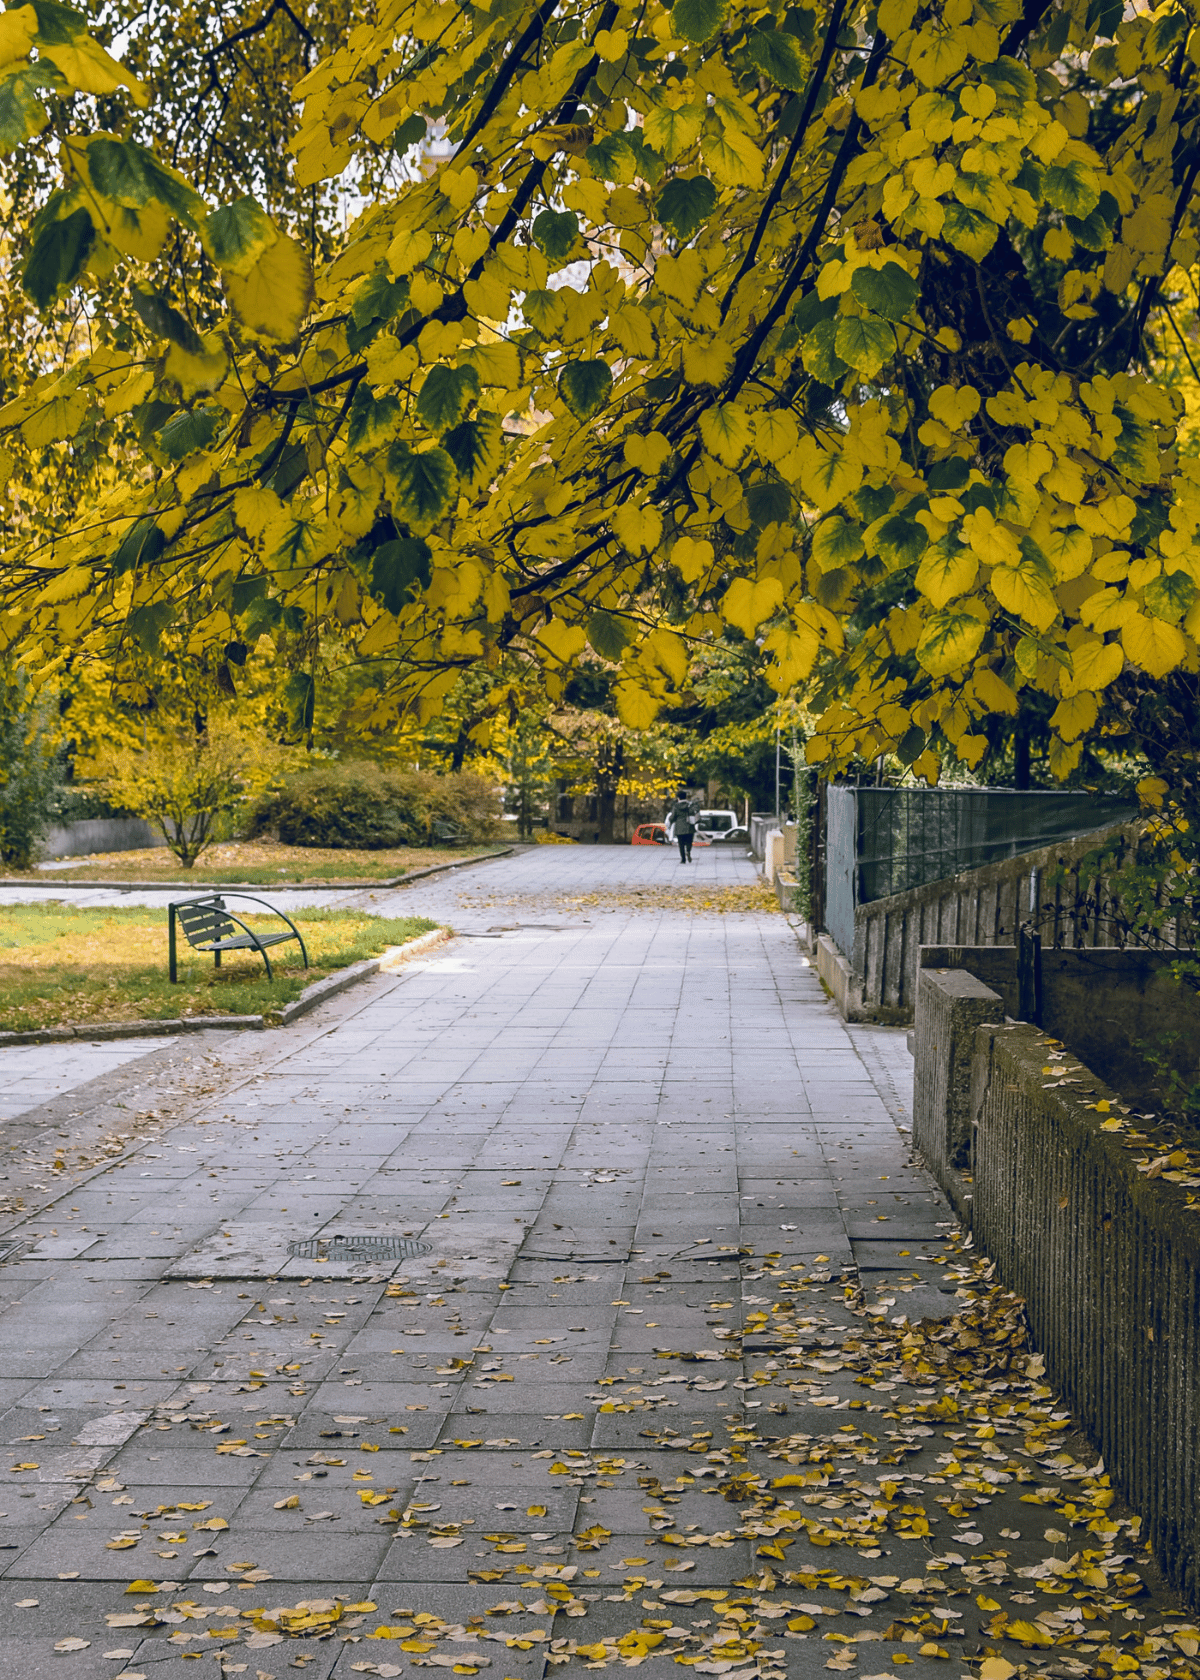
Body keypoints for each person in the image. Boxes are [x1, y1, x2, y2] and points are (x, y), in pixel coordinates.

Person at [668, 788, 699, 862]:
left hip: (679, 827)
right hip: (689, 826)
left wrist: (670, 820)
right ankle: (688, 851)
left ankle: (683, 859)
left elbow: (672, 817)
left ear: (678, 798)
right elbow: (694, 812)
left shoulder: (676, 806)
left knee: (681, 844)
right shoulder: (690, 805)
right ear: (686, 797)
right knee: (689, 842)